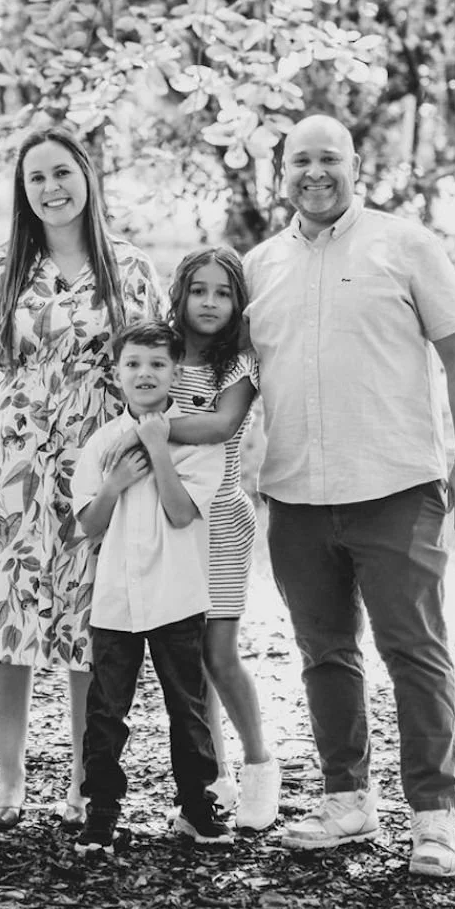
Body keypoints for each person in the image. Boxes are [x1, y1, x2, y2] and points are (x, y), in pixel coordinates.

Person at [242, 113, 455, 878]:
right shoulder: (259, 265)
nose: (315, 173)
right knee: (324, 653)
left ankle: (434, 819)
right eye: (300, 162)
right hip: (295, 497)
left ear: (356, 165)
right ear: (280, 174)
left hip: (395, 486)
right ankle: (346, 800)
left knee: (414, 651)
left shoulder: (404, 245)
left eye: (330, 159)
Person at [0, 125, 164, 830]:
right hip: (11, 463)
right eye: (37, 178)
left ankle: (81, 780)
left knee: (85, 621)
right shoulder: (2, 269)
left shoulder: (128, 268)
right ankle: (9, 779)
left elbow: (155, 370)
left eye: (63, 173)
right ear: (24, 191)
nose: (52, 188)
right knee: (7, 617)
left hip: (93, 464)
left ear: (87, 177)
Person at [69, 320, 229, 853]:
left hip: (175, 593)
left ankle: (196, 805)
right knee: (106, 709)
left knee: (186, 704)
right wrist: (113, 485)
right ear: (116, 374)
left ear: (176, 371)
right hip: (116, 598)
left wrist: (159, 448)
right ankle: (102, 810)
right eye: (133, 364)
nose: (145, 374)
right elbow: (89, 525)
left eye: (158, 364)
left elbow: (183, 514)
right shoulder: (101, 444)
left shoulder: (197, 440)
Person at [165, 247, 281, 831]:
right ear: (180, 294)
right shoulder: (159, 356)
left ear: (238, 303)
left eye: (223, 292)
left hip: (222, 521)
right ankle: (212, 776)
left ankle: (262, 769)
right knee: (185, 657)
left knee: (217, 653)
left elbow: (219, 426)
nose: (209, 302)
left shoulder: (237, 366)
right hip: (168, 518)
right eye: (199, 290)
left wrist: (148, 428)